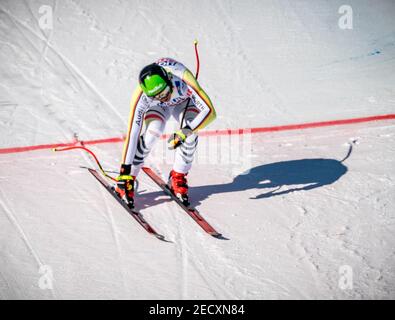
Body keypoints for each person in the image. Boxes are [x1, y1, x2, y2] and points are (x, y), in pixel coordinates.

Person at [115, 57, 217, 207]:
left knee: (190, 131)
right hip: (157, 108)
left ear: (169, 80)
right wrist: (124, 170)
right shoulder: (142, 96)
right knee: (153, 132)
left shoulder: (183, 77)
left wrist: (185, 131)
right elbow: (133, 132)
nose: (163, 98)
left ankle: (178, 176)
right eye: (157, 96)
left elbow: (210, 112)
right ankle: (129, 178)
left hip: (181, 102)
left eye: (164, 92)